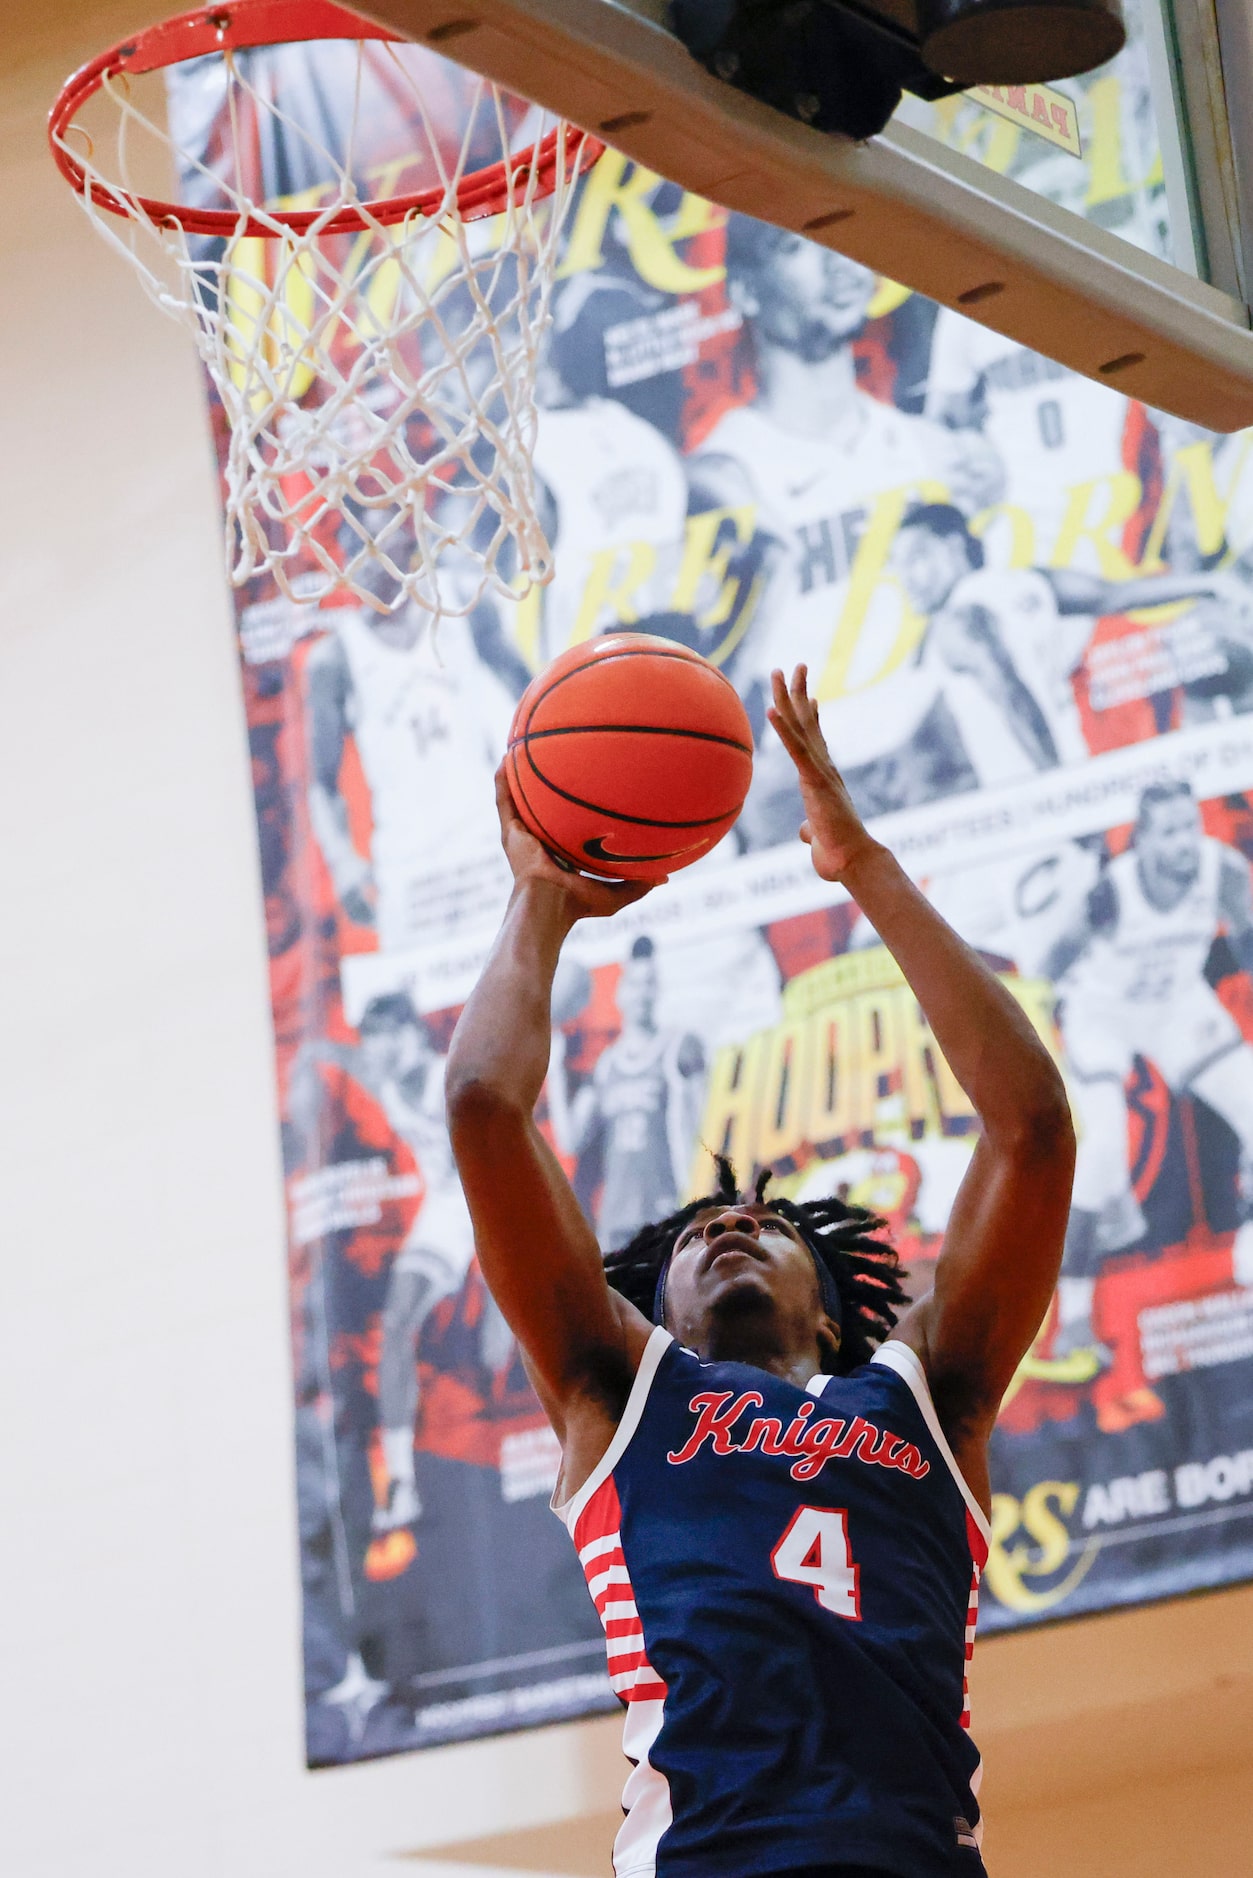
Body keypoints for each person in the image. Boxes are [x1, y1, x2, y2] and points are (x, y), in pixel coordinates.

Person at [446, 666, 1076, 1878]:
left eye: (765, 1221)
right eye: (692, 1235)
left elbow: (1031, 1129)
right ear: (656, 1310)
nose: (724, 1227)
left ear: (835, 1306)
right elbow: (483, 1104)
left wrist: (863, 866)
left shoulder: (926, 1398)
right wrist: (541, 896)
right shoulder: (617, 1393)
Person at [693, 219, 1004, 848]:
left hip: (939, 761)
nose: (841, 268)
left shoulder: (936, 454)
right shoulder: (718, 478)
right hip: (797, 793)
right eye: (797, 246)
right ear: (746, 290)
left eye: (845, 243)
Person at [1044, 780, 1253, 1413]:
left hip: (1174, 1005)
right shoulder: (1113, 891)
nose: (1183, 842)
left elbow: (1244, 934)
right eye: (1167, 831)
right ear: (1142, 839)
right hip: (1102, 1011)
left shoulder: (1222, 870)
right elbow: (1053, 960)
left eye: (1189, 826)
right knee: (1103, 1154)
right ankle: (1073, 1316)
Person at [890, 502, 1253, 787]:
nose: (906, 577)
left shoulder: (957, 619)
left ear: (953, 546)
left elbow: (1009, 692)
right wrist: (1211, 583)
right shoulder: (1026, 583)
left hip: (1034, 800)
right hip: (1075, 771)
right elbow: (1115, 595)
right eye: (898, 565)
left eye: (916, 557)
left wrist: (1057, 792)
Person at [548, 935, 706, 1253]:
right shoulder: (606, 1065)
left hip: (664, 1209)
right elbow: (570, 1139)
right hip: (616, 1218)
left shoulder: (676, 1049)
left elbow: (698, 1131)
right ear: (620, 992)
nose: (642, 994)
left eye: (650, 983)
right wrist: (554, 1070)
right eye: (635, 983)